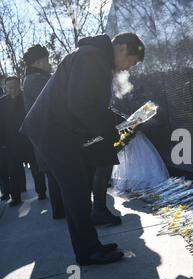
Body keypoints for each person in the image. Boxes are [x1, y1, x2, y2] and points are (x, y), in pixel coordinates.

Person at [20, 33, 145, 266]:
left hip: (58, 131)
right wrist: (112, 127)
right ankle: (88, 251)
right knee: (76, 190)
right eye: (133, 61)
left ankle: (89, 247)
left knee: (79, 187)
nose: (130, 68)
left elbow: (89, 104)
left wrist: (118, 120)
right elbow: (80, 104)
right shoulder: (92, 57)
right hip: (52, 131)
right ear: (122, 49)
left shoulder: (94, 57)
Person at [23, 44, 64, 218]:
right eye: (47, 60)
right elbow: (54, 104)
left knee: (54, 175)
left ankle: (59, 210)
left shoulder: (31, 79)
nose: (49, 63)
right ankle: (63, 210)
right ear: (39, 61)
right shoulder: (37, 80)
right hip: (49, 136)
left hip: (43, 137)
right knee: (58, 175)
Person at [0, 77, 29, 207]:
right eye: (9, 87)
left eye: (14, 86)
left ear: (19, 85)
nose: (12, 89)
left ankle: (41, 192)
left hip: (28, 138)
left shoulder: (26, 98)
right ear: (5, 87)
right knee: (13, 170)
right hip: (11, 141)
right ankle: (16, 197)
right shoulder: (2, 103)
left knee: (36, 167)